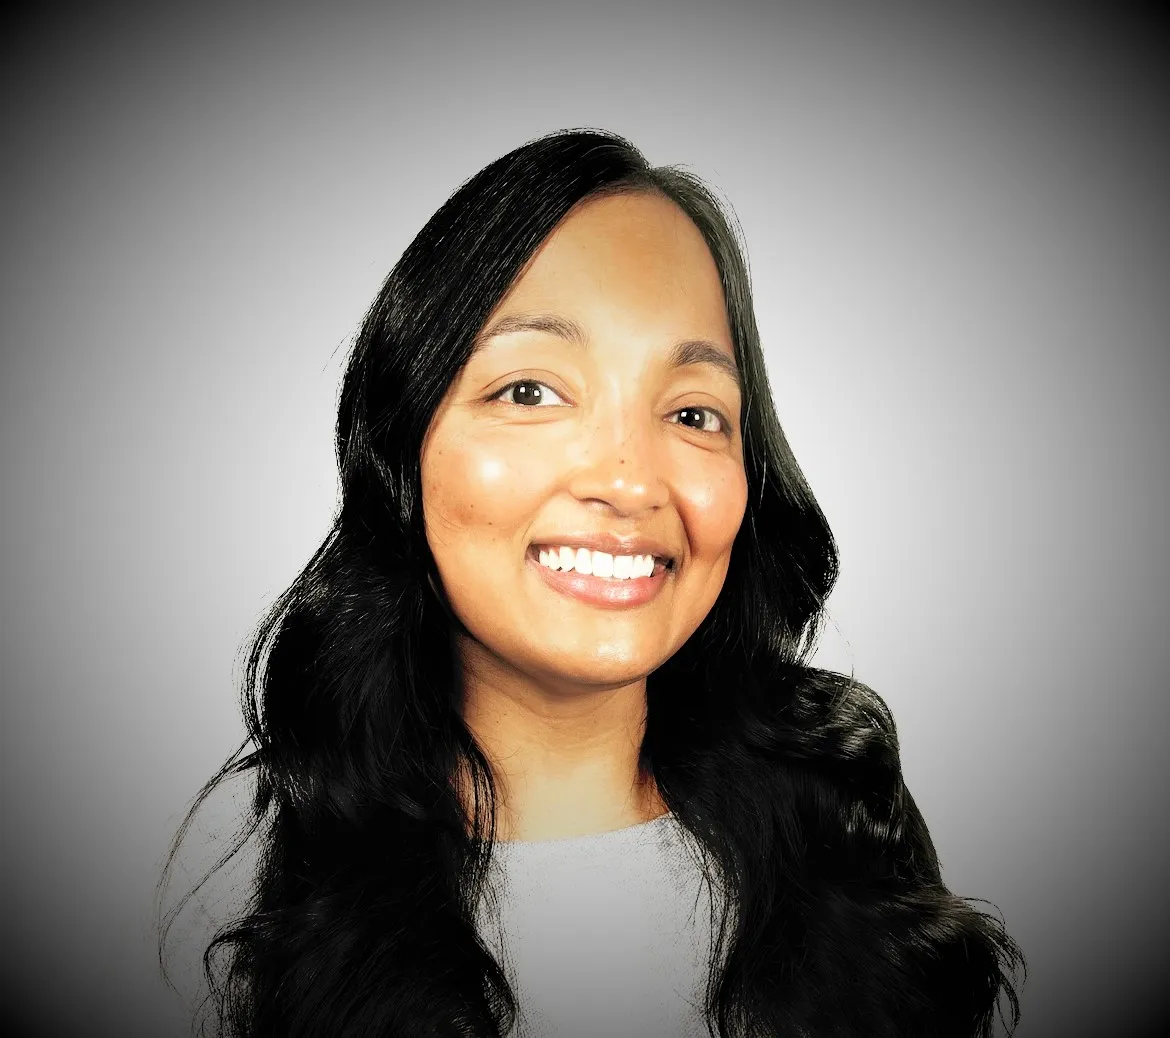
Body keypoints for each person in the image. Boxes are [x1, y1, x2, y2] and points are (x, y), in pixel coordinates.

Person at [162, 128, 1024, 1037]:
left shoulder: (851, 849)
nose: (628, 481)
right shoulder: (233, 914)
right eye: (530, 391)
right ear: (402, 451)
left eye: (694, 412)